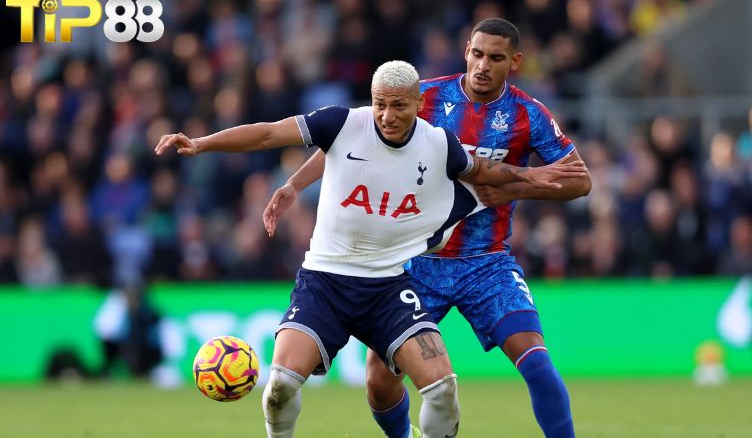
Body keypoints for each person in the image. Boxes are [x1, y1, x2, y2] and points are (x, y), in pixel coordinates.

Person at [155, 60, 588, 438]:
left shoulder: (438, 145)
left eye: (398, 105)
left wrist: (536, 179)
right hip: (324, 283)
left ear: (418, 104)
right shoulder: (343, 122)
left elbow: (484, 171)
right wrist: (204, 143)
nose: (387, 115)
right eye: (380, 104)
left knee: (443, 389)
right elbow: (269, 134)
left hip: (389, 288)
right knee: (282, 385)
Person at [264, 19, 591, 438]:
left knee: (536, 359)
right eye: (477, 54)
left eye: (496, 58)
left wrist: (514, 193)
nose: (483, 65)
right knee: (380, 382)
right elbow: (345, 142)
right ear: (466, 50)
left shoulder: (529, 114)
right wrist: (294, 185)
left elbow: (580, 181)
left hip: (486, 261)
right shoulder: (424, 97)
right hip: (415, 260)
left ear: (515, 61)